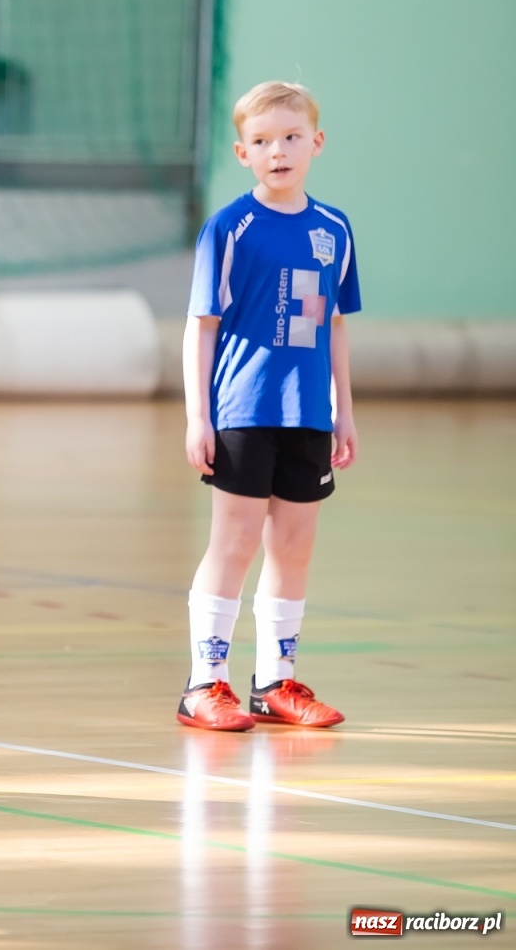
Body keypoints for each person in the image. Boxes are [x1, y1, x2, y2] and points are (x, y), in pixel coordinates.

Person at [177, 80, 360, 732]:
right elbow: (201, 327)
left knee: (295, 546)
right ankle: (205, 683)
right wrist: (199, 417)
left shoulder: (333, 229)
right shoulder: (230, 229)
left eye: (290, 137)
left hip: (307, 414)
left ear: (316, 142)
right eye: (261, 141)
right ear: (242, 152)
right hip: (243, 410)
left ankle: (275, 682)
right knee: (234, 542)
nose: (277, 151)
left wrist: (343, 409)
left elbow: (332, 324)